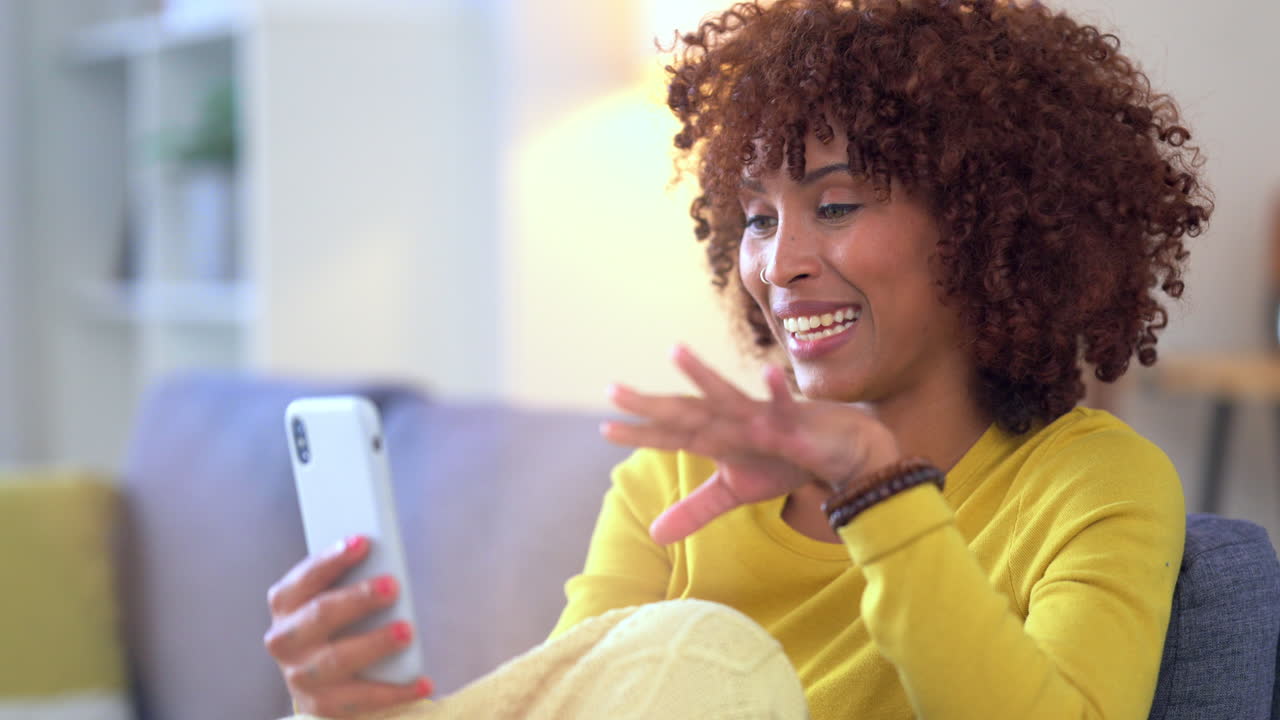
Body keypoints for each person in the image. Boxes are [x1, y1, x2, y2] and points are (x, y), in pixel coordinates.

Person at [264, 0, 1213, 717]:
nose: (778, 264)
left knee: (708, 654)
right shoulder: (672, 483)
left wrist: (877, 491)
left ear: (988, 227)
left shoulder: (1092, 484)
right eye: (758, 217)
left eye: (835, 206)